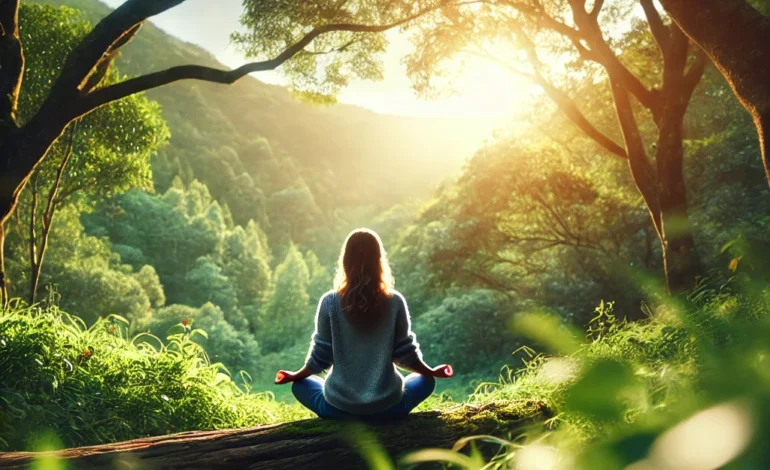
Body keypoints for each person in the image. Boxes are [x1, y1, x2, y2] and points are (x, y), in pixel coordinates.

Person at [274, 228, 453, 420]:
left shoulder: (329, 302)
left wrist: (296, 375)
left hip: (339, 409)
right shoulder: (394, 302)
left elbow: (321, 356)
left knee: (300, 385)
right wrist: (431, 371)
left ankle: (347, 417)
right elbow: (405, 354)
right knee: (426, 381)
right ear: (378, 261)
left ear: (345, 261)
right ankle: (380, 416)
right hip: (388, 408)